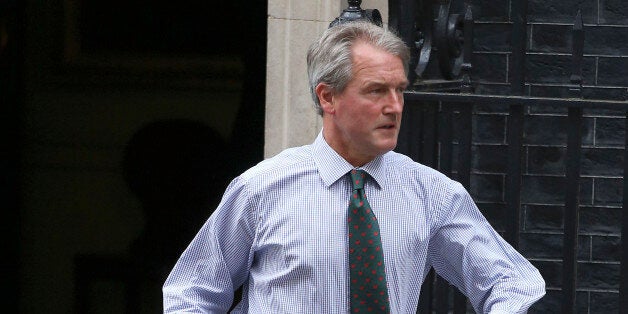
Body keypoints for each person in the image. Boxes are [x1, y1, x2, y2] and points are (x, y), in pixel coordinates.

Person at [163, 21, 545, 313]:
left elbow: (512, 282)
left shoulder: (433, 194)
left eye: (400, 89)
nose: (394, 106)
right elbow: (191, 292)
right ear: (328, 96)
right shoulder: (262, 188)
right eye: (377, 90)